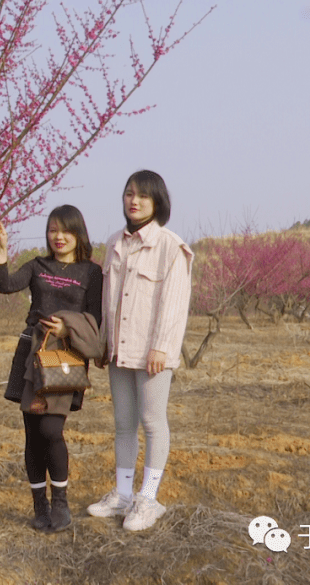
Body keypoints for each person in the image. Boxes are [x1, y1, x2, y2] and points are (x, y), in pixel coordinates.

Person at [86, 170, 193, 532]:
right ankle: (122, 494)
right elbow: (107, 300)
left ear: (157, 202)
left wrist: (162, 347)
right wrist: (103, 344)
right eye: (129, 193)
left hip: (152, 354)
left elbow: (174, 303)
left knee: (152, 422)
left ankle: (148, 498)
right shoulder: (115, 242)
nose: (134, 201)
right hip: (119, 351)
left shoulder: (169, 245)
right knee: (123, 424)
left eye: (143, 196)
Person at [0, 205, 102, 533]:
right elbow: (5, 285)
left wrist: (69, 327)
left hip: (64, 356)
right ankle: (39, 506)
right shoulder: (38, 266)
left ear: (78, 233)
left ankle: (61, 503)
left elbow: (95, 317)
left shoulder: (91, 273)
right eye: (53, 230)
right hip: (31, 350)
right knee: (32, 433)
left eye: (66, 230)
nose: (59, 237)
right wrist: (0, 252)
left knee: (51, 430)